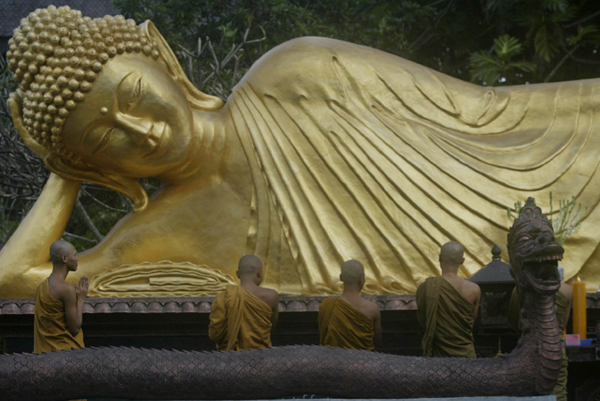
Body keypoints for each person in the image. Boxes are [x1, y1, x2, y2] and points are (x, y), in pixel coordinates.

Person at [4, 6, 600, 300]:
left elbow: (481, 119)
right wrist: (64, 170)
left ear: (162, 62)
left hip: (512, 232)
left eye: (134, 94)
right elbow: (14, 279)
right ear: (99, 166)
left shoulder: (300, 68)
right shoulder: (164, 230)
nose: (142, 131)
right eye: (105, 140)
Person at [508, 268, 572, 401]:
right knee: (558, 392)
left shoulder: (518, 291)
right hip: (555, 349)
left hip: (527, 349)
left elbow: (514, 322)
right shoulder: (567, 290)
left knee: (530, 393)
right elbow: (563, 325)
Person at [416, 242, 481, 357]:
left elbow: (423, 321)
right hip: (465, 356)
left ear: (440, 258)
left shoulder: (426, 287)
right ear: (462, 261)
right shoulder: (474, 289)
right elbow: (471, 324)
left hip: (437, 359)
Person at [209, 255, 279, 351]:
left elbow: (215, 333)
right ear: (259, 272)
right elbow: (272, 327)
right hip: (260, 357)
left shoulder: (224, 297)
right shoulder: (271, 296)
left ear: (238, 274)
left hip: (230, 359)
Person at [34, 240, 88, 353]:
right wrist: (81, 298)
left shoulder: (41, 288)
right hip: (64, 356)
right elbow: (74, 329)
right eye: (74, 254)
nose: (77, 258)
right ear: (64, 258)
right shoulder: (66, 290)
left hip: (44, 354)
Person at [319, 260, 382, 350]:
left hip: (334, 362)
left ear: (341, 277)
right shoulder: (372, 309)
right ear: (362, 278)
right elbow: (377, 341)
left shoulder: (326, 306)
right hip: (363, 362)